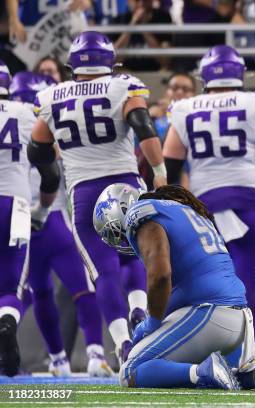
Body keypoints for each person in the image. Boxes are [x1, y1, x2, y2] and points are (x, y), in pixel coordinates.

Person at [27, 31, 167, 365]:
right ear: (109, 61)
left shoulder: (50, 96)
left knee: (103, 272)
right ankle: (137, 308)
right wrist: (159, 171)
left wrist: (56, 169)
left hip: (84, 191)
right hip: (125, 182)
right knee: (133, 256)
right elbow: (143, 125)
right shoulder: (124, 86)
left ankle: (121, 342)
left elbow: (38, 148)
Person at [163, 45, 255, 355]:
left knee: (206, 281)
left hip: (203, 207)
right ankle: (249, 354)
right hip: (249, 198)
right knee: (254, 279)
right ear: (239, 73)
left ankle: (202, 352)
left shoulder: (185, 108)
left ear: (205, 76)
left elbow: (170, 163)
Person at [94, 183, 255, 391]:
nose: (120, 239)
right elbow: (191, 276)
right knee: (153, 355)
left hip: (211, 313)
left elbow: (161, 277)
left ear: (122, 211)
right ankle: (244, 374)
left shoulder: (140, 213)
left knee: (130, 372)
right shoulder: (184, 209)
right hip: (240, 319)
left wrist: (152, 323)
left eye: (115, 232)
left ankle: (203, 372)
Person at [7, 71, 113, 378]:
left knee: (37, 291)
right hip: (51, 216)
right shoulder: (40, 119)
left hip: (20, 216)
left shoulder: (14, 117)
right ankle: (94, 352)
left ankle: (57, 359)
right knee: (83, 288)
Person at [0, 60, 59, 377]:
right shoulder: (25, 114)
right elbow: (50, 170)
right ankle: (7, 321)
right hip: (16, 204)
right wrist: (44, 208)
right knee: (11, 285)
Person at [111, 0, 172, 71]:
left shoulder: (163, 18)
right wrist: (132, 24)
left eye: (145, 0)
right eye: (136, 1)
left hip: (154, 73)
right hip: (126, 74)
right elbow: (113, 60)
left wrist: (143, 27)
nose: (141, 4)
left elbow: (165, 61)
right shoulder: (119, 20)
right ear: (128, 2)